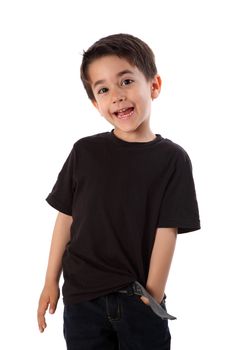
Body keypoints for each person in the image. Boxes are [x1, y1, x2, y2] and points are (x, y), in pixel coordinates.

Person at [37, 33, 201, 350]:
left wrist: (151, 297)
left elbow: (166, 231)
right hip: (83, 301)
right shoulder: (85, 152)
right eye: (103, 89)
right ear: (95, 103)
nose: (116, 95)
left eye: (126, 82)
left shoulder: (172, 159)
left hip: (138, 298)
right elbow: (65, 219)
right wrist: (49, 283)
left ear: (153, 86)